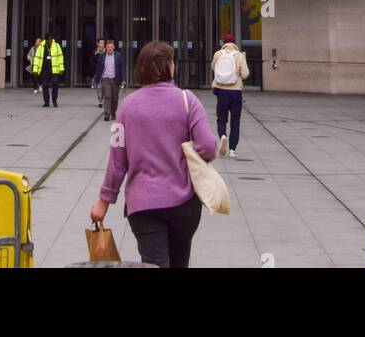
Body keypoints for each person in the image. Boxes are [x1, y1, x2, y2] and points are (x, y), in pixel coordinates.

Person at [90, 40, 218, 270]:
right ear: (168, 66)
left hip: (144, 204)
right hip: (184, 202)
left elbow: (117, 161)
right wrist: (188, 152)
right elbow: (208, 147)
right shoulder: (188, 100)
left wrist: (104, 200)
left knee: (154, 263)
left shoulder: (128, 106)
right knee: (180, 262)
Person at [211, 33, 249, 157]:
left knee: (221, 119)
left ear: (224, 43)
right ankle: (232, 149)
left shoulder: (218, 54)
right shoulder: (239, 56)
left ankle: (222, 135)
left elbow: (213, 67)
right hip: (236, 92)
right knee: (235, 121)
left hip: (221, 92)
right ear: (234, 43)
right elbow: (245, 74)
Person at [94, 39, 125, 121]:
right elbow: (99, 68)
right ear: (106, 48)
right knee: (107, 96)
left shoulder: (118, 56)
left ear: (114, 47)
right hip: (105, 79)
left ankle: (113, 113)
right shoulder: (102, 56)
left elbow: (121, 68)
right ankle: (107, 114)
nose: (110, 49)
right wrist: (97, 80)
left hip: (115, 79)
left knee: (115, 98)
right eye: (108, 47)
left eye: (111, 47)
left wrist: (123, 80)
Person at [32, 33, 64, 107]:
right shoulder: (41, 46)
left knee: (55, 84)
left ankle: (54, 101)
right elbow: (36, 58)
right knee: (45, 85)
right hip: (45, 69)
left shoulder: (56, 46)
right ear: (45, 40)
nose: (50, 41)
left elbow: (60, 57)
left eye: (51, 39)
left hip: (54, 69)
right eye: (48, 39)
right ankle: (46, 102)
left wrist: (61, 69)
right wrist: (35, 70)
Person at [91, 38, 106, 108]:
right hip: (97, 72)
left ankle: (105, 99)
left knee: (105, 87)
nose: (102, 45)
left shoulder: (107, 52)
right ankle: (100, 101)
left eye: (103, 43)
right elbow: (91, 62)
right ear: (97, 44)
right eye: (101, 43)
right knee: (99, 87)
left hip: (106, 72)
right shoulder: (94, 52)